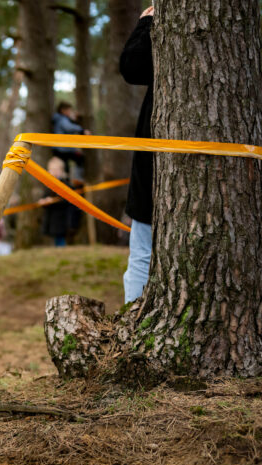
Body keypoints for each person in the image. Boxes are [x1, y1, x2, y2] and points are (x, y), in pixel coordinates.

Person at [120, 5, 154, 303]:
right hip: (152, 168)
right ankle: (133, 327)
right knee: (142, 254)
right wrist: (147, 26)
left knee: (141, 255)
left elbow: (131, 67)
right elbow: (133, 69)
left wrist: (145, 24)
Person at [39, 156, 81, 246]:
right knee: (55, 241)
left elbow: (67, 201)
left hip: (63, 219)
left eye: (56, 169)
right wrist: (44, 202)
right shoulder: (49, 184)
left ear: (61, 170)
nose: (54, 172)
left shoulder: (66, 184)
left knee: (61, 240)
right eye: (52, 169)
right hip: (52, 219)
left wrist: (52, 201)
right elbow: (45, 197)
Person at [51, 102, 90, 182]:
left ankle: (67, 181)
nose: (70, 112)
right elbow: (68, 127)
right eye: (69, 110)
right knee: (79, 158)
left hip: (60, 149)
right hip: (63, 149)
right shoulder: (62, 119)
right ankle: (77, 179)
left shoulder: (59, 119)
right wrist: (82, 130)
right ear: (63, 110)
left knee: (65, 168)